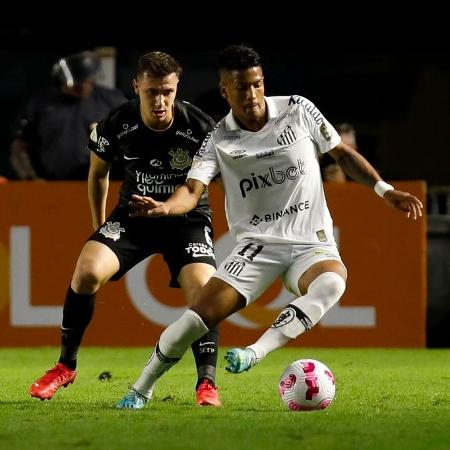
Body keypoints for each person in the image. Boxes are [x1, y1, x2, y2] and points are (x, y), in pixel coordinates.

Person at [115, 44, 423, 408]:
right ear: (224, 90)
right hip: (257, 246)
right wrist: (167, 208)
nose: (252, 96)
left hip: (310, 242)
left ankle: (254, 353)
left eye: (257, 84)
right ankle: (141, 388)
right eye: (241, 88)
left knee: (331, 283)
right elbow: (192, 188)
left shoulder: (298, 109)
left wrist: (384, 191)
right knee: (196, 321)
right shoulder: (218, 139)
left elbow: (340, 153)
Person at [29, 51, 221, 407]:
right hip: (133, 217)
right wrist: (99, 228)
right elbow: (98, 174)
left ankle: (206, 383)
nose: (160, 100)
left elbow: (199, 189)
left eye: (167, 91)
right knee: (87, 270)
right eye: (151, 92)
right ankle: (64, 366)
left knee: (204, 289)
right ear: (137, 87)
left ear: (176, 86)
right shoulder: (118, 121)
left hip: (186, 219)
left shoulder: (200, 127)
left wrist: (168, 207)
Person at [10, 50, 127, 180]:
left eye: (86, 80)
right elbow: (19, 146)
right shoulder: (39, 105)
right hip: (52, 186)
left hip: (102, 185)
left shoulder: (112, 101)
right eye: (77, 82)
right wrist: (30, 178)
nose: (82, 85)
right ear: (61, 78)